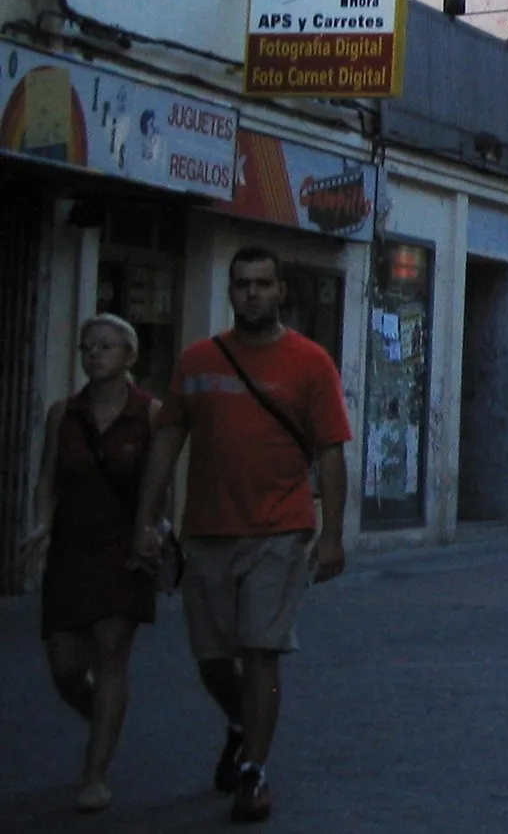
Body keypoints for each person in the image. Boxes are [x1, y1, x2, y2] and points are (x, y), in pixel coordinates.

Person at [133, 245, 351, 824]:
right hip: (206, 531)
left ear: (281, 291)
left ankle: (254, 771)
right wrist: (146, 522)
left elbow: (331, 451)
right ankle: (240, 723)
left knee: (261, 651)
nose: (251, 293)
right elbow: (166, 444)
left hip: (280, 530)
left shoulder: (309, 363)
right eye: (241, 284)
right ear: (230, 292)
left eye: (262, 284)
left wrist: (331, 535)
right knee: (211, 659)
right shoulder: (198, 360)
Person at [20, 314, 159, 813]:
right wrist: (41, 524)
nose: (94, 354)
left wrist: (158, 533)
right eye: (86, 347)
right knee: (65, 666)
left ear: (129, 355)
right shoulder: (64, 413)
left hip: (123, 551)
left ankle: (95, 772)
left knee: (111, 652)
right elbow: (45, 479)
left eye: (105, 346)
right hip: (71, 551)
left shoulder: (150, 414)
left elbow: (161, 483)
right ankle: (104, 715)